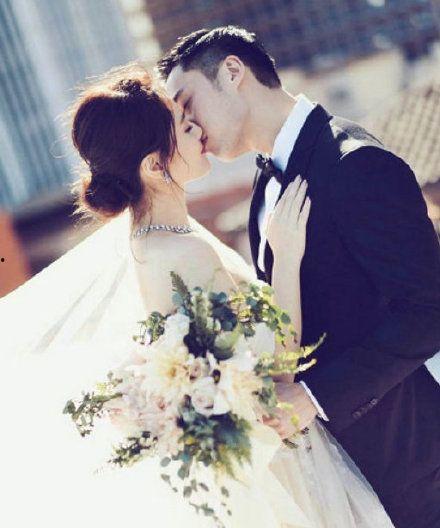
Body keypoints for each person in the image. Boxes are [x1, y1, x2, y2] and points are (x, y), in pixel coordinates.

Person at [0, 62, 394, 527]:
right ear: (154, 165)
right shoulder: (182, 252)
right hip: (286, 474)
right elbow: (273, 372)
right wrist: (287, 258)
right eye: (184, 127)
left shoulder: (154, 243)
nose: (199, 130)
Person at [157, 26, 440, 528]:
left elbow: (429, 310)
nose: (190, 125)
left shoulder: (356, 162)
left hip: (413, 470)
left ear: (232, 72)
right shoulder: (265, 184)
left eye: (187, 103)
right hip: (336, 483)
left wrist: (314, 398)